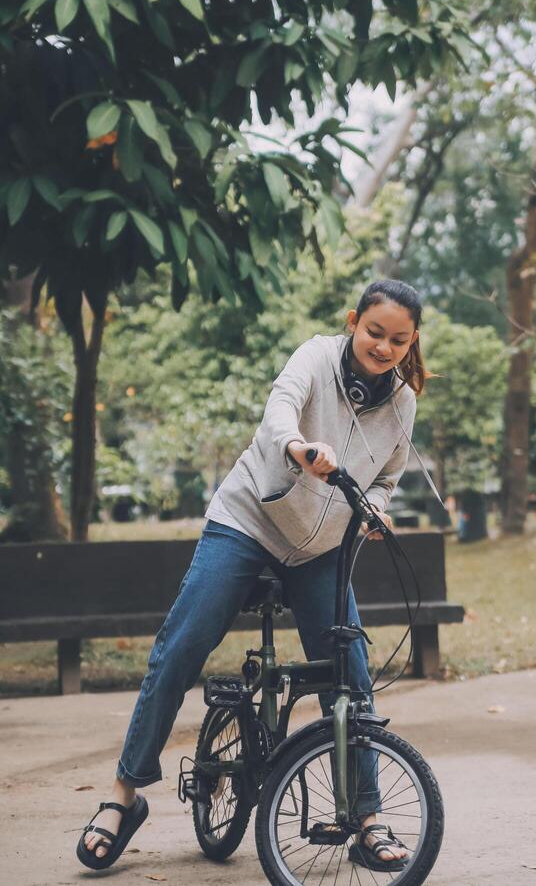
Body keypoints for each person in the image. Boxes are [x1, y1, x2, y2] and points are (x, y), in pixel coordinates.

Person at [77, 278, 430, 873]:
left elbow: (387, 476)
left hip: (320, 550)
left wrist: (375, 507)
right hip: (248, 522)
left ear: (411, 340)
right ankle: (123, 797)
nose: (384, 346)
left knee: (351, 672)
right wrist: (299, 448)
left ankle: (368, 818)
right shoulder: (315, 358)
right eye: (374, 332)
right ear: (353, 321)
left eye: (398, 339)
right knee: (181, 647)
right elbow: (279, 412)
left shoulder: (402, 402)